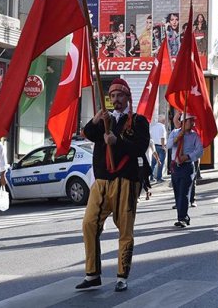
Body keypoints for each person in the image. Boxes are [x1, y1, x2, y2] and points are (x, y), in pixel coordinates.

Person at [77, 78, 149, 292]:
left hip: (126, 181)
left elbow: (140, 147)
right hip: (101, 180)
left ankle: (122, 275)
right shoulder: (105, 120)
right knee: (89, 224)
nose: (116, 100)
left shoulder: (138, 121)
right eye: (113, 96)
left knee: (125, 230)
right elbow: (88, 134)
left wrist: (118, 142)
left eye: (120, 96)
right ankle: (92, 273)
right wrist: (96, 119)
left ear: (127, 97)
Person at [167, 113, 203, 227]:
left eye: (192, 120)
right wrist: (178, 137)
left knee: (184, 192)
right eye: (189, 120)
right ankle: (183, 216)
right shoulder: (174, 133)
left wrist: (187, 156)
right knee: (177, 193)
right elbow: (168, 146)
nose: (192, 123)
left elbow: (199, 151)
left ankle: (182, 217)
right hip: (175, 167)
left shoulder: (194, 136)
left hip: (187, 167)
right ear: (183, 122)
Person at [149, 114, 167, 182]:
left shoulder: (153, 127)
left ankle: (151, 177)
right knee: (160, 162)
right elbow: (162, 137)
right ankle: (159, 178)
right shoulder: (162, 127)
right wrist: (163, 146)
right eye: (164, 120)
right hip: (160, 146)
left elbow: (150, 136)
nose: (165, 121)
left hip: (154, 146)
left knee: (153, 163)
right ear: (163, 120)